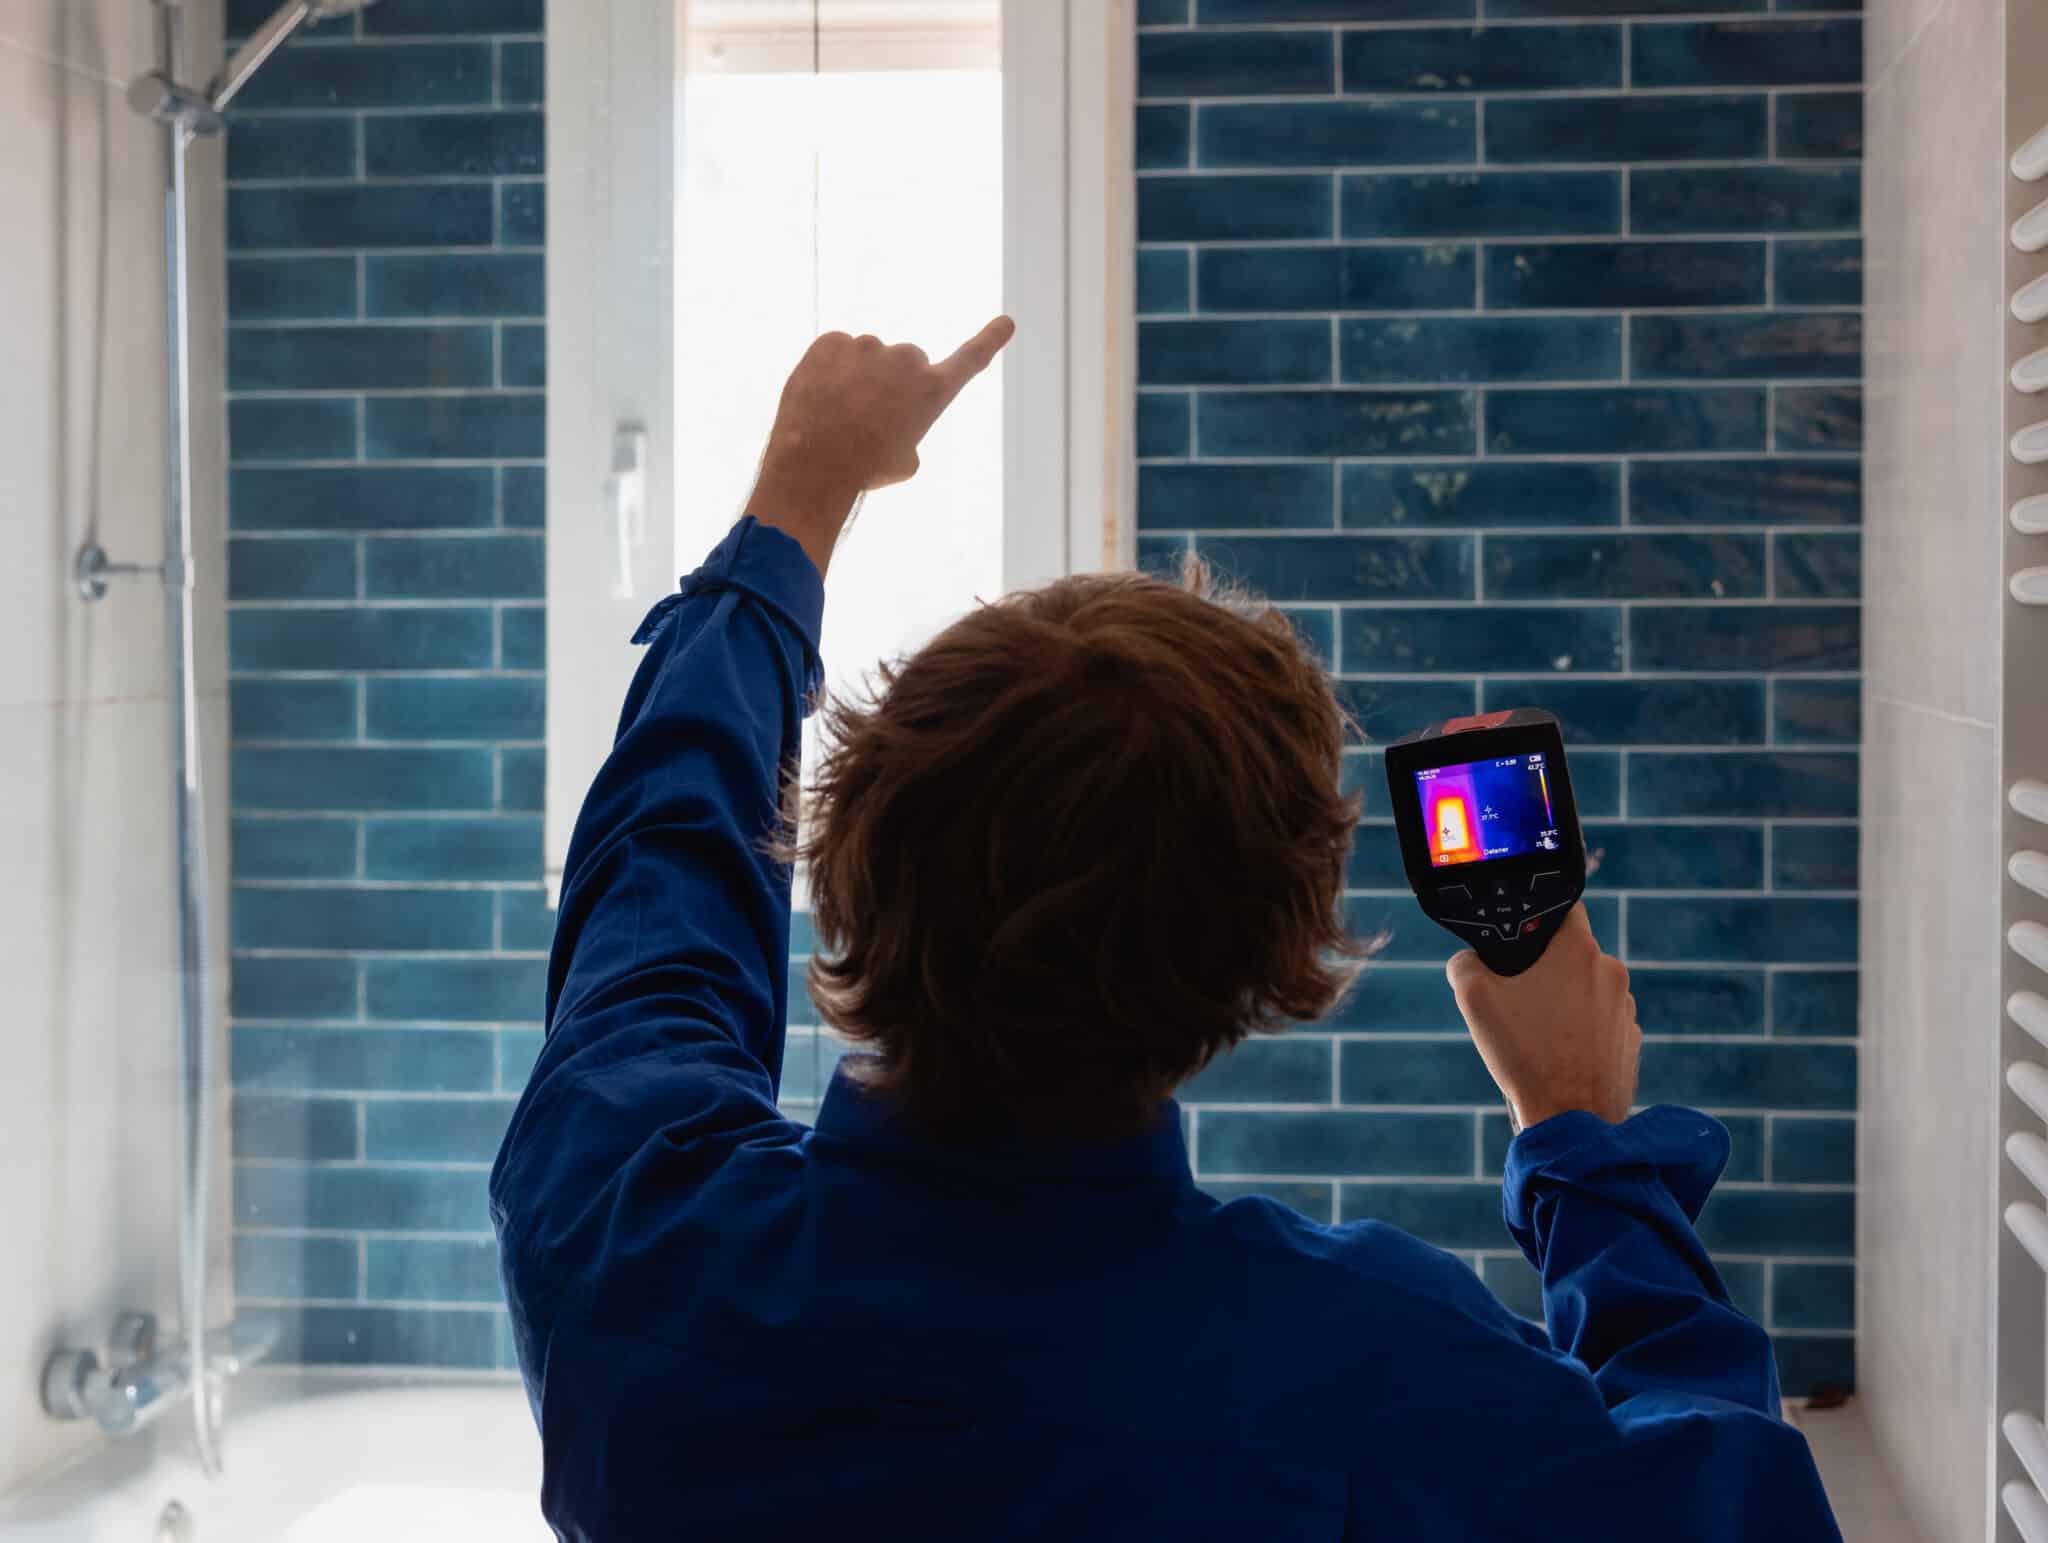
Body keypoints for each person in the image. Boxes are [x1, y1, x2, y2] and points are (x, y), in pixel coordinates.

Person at [490, 317, 1843, 1541]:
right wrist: (1582, 1141)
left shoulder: (628, 1238)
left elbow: (665, 859)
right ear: (1268, 965)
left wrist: (797, 500)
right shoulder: (1373, 1371)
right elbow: (1736, 1517)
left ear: (839, 864)